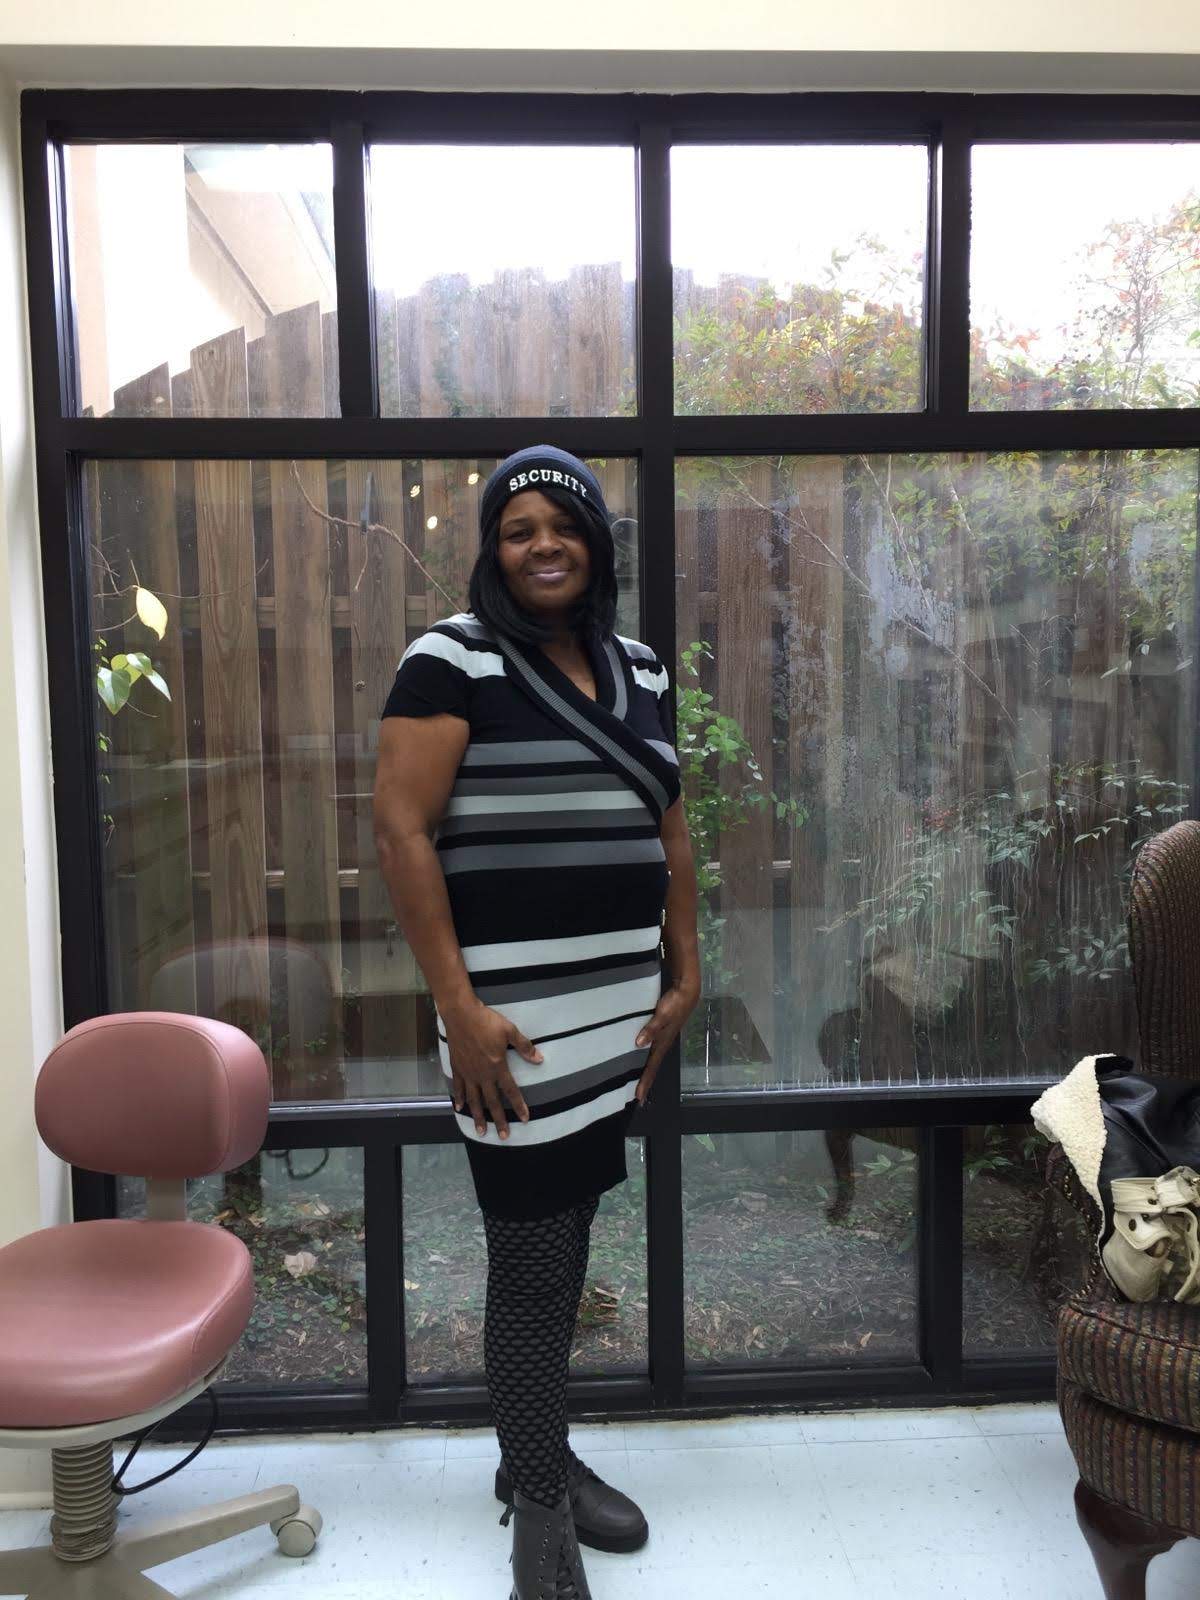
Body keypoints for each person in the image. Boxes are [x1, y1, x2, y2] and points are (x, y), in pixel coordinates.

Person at [372, 445, 701, 1598]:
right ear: (492, 549)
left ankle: (536, 1452)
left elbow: (670, 827)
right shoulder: (451, 659)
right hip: (508, 1029)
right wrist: (457, 1008)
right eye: (518, 529)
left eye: (563, 525)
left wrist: (686, 971)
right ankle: (541, 1515)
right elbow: (402, 831)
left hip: (615, 1019)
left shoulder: (642, 668)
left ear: (598, 542)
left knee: (569, 1243)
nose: (542, 545)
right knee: (529, 1262)